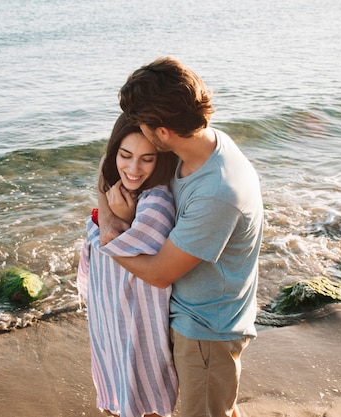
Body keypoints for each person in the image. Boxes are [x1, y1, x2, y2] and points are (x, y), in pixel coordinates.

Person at [98, 56, 264, 417]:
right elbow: (108, 164)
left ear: (162, 131)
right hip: (193, 315)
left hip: (207, 328)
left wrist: (107, 240)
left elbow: (159, 273)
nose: (138, 130)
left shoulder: (218, 191)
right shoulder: (194, 147)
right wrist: (111, 214)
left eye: (142, 125)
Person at [77, 112, 179, 417]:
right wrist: (110, 211)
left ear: (160, 159)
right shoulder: (117, 191)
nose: (133, 169)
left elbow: (116, 244)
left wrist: (118, 220)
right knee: (114, 391)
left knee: (144, 400)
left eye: (147, 159)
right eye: (125, 155)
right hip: (110, 315)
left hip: (140, 322)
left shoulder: (157, 201)